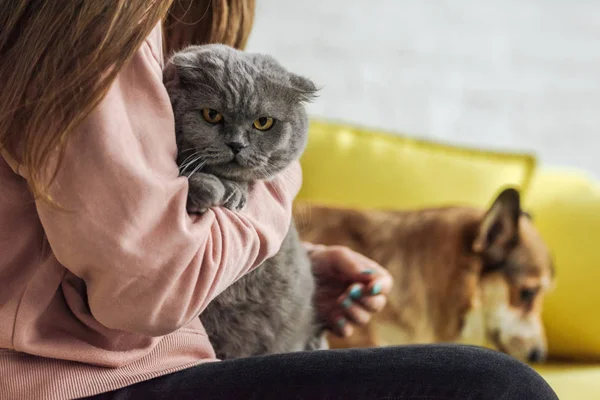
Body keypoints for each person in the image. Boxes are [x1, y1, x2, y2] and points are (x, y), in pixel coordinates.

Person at [0, 1, 558, 399]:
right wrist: (277, 186)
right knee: (499, 387)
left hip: (122, 359)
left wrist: (286, 267)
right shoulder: (97, 26)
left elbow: (109, 230)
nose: (240, 145)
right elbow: (147, 290)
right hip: (83, 379)